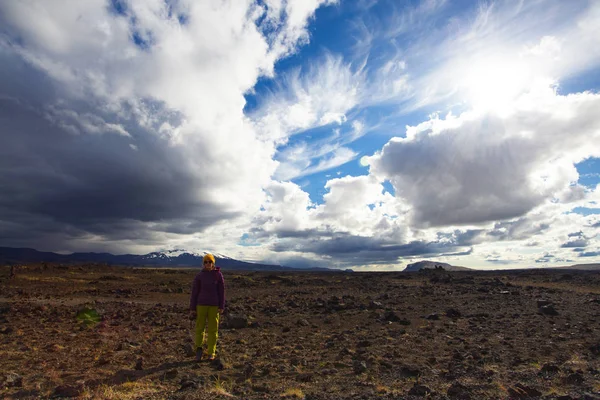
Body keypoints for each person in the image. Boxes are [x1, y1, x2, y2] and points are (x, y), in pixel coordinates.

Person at [189, 253, 225, 361]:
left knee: (213, 330)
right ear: (203, 264)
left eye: (210, 262)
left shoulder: (218, 275)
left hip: (214, 306)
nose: (208, 264)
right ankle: (198, 351)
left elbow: (221, 292)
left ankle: (211, 352)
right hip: (201, 305)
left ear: (213, 263)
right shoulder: (199, 276)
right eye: (206, 262)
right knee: (200, 328)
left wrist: (221, 305)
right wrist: (192, 308)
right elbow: (194, 293)